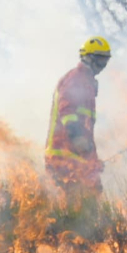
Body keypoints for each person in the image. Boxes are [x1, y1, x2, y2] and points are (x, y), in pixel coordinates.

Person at [45, 37, 111, 200]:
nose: (102, 66)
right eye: (99, 60)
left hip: (78, 159)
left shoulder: (87, 83)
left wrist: (92, 160)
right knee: (79, 208)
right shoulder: (76, 79)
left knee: (93, 199)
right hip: (64, 158)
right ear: (87, 57)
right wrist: (78, 139)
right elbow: (67, 111)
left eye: (105, 61)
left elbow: (86, 130)